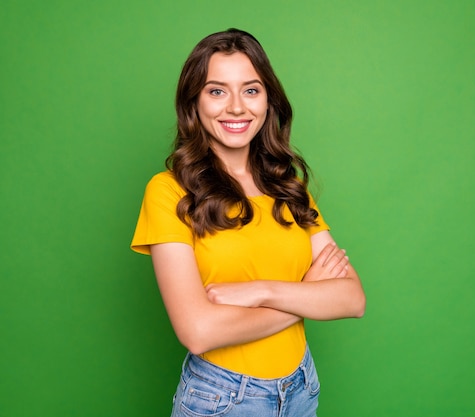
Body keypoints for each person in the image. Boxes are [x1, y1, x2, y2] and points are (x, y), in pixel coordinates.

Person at [131, 28, 365, 417]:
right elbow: (198, 332)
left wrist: (262, 291)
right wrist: (306, 295)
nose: (237, 107)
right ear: (195, 102)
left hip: (301, 387)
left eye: (251, 90)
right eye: (217, 90)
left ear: (268, 100)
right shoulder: (168, 191)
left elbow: (352, 299)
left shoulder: (288, 187)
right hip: (222, 398)